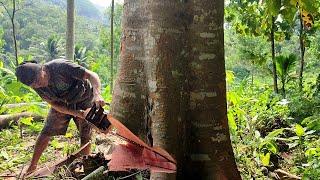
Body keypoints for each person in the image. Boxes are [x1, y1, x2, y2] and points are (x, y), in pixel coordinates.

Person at [15, 59, 105, 174]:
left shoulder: (61, 67)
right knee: (46, 132)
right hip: (62, 103)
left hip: (84, 99)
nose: (37, 85)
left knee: (85, 136)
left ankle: (85, 165)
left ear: (42, 69)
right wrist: (78, 113)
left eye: (38, 80)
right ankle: (32, 166)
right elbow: (55, 105)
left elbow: (92, 75)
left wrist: (97, 94)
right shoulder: (35, 84)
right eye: (33, 84)